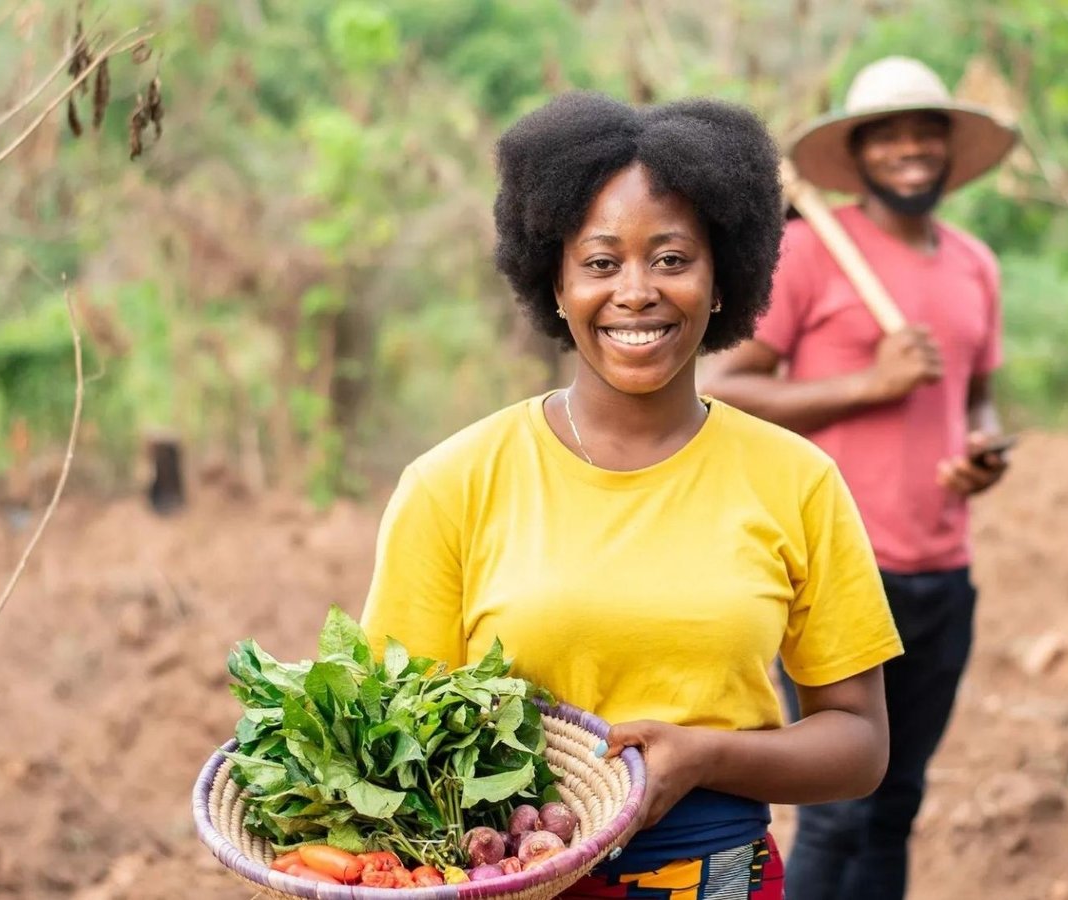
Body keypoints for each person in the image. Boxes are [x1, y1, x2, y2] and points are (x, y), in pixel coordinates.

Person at [358, 91, 904, 900]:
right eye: (602, 262)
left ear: (724, 280)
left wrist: (709, 755)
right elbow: (387, 740)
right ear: (554, 282)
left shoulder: (796, 480)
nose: (637, 291)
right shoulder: (454, 483)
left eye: (673, 259)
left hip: (718, 879)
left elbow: (859, 745)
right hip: (505, 880)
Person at [699, 56, 1019, 899]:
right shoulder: (808, 252)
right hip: (837, 569)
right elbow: (721, 390)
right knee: (839, 809)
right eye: (890, 135)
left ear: (949, 150)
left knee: (897, 802)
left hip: (942, 569)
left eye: (926, 133)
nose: (911, 149)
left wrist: (984, 451)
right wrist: (866, 385)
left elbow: (977, 402)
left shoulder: (976, 265)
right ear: (859, 152)